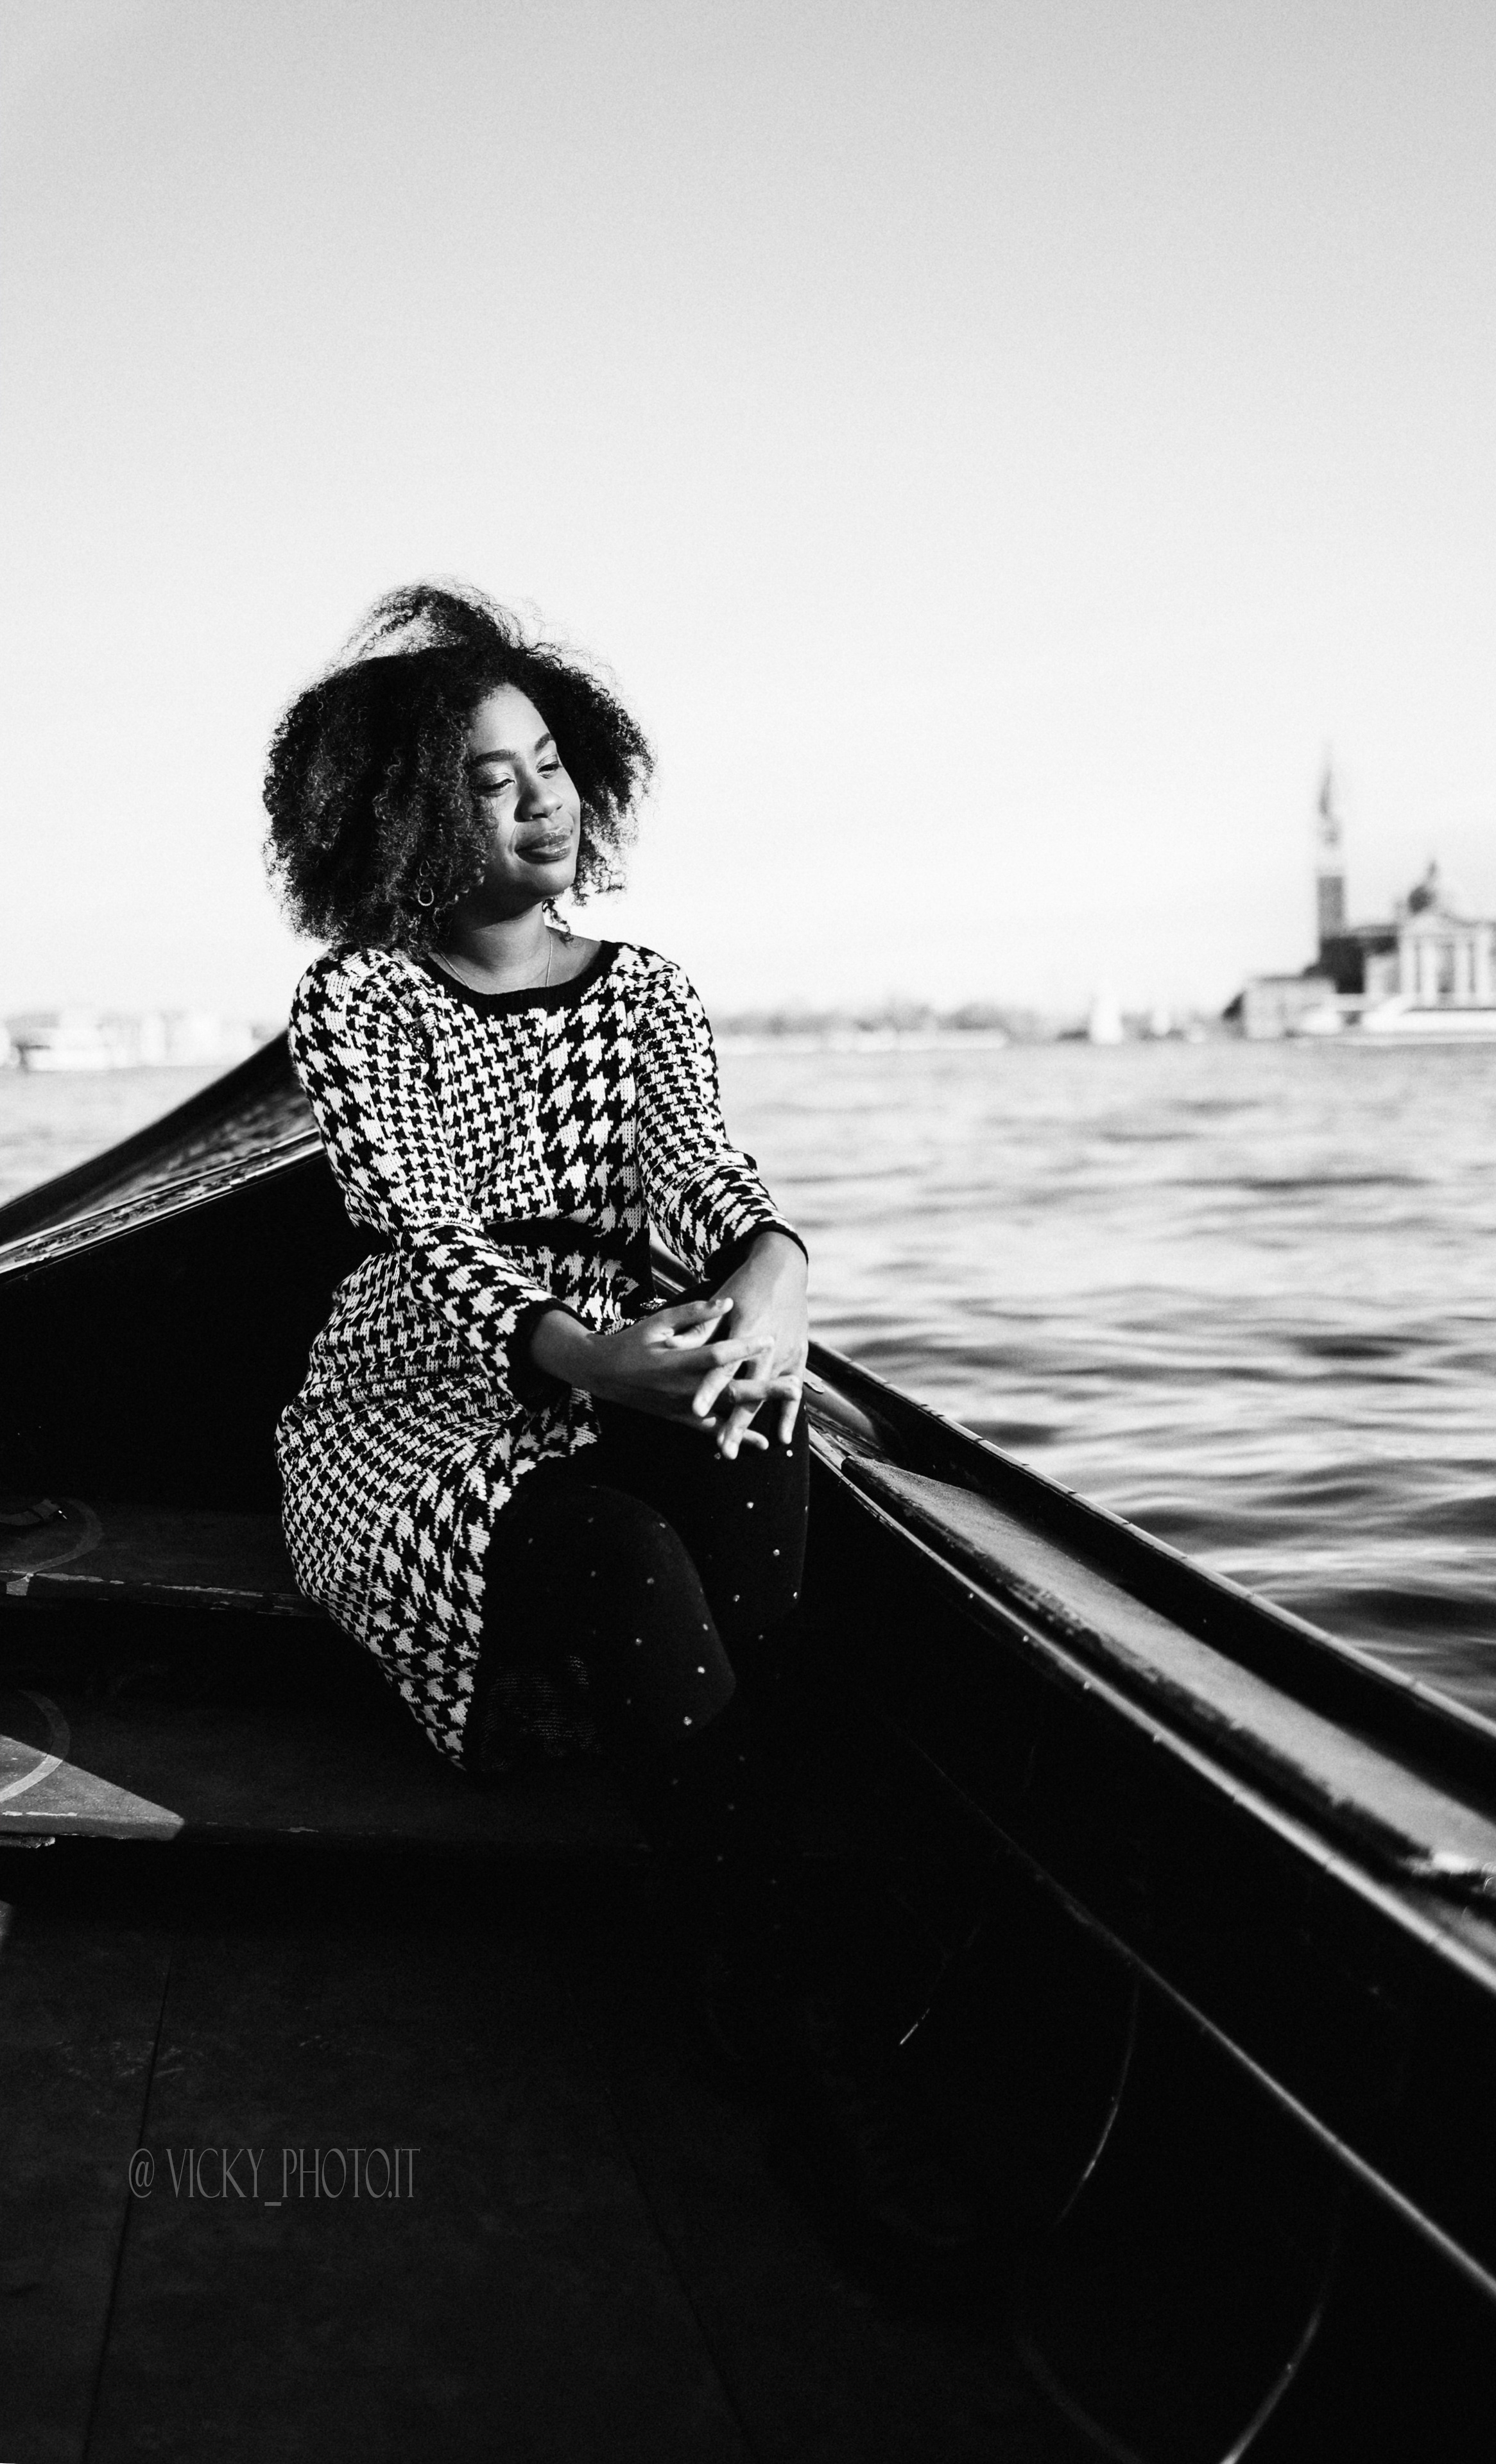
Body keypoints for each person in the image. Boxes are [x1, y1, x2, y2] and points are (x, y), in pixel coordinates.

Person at [263, 583, 975, 2268]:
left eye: (552, 760)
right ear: (405, 818)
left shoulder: (648, 991)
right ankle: (815, 2061)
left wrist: (777, 1269)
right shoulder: (361, 1002)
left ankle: (754, 1954)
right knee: (622, 1538)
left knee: (750, 1437)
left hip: (634, 1348)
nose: (545, 797)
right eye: (493, 778)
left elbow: (704, 1176)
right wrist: (586, 1357)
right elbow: (425, 1228)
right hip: (420, 1397)